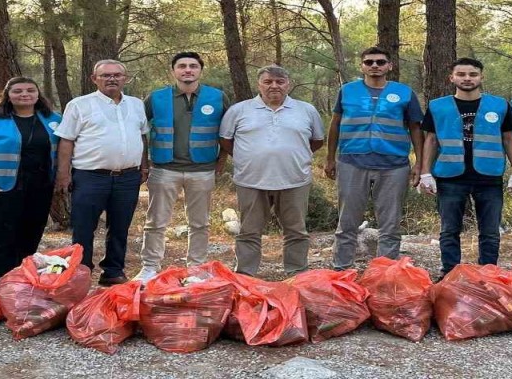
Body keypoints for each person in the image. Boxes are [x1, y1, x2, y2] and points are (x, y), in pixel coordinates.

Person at [418, 58, 512, 277]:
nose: (467, 79)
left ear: (481, 77)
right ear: (452, 78)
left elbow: (509, 139)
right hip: (450, 176)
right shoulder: (438, 106)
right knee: (449, 231)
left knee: (490, 232)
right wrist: (425, 172)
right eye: (462, 74)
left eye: (473, 74)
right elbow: (431, 139)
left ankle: (488, 274)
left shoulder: (500, 105)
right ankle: (449, 274)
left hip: (489, 176)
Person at [219, 65, 325, 277]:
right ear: (259, 84)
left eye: (280, 82)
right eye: (268, 82)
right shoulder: (239, 110)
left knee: (296, 231)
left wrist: (291, 156)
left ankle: (297, 275)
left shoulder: (306, 110)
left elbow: (317, 141)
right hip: (251, 180)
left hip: (294, 180)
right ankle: (246, 275)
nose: (274, 86)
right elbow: (225, 140)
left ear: (288, 84)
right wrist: (249, 158)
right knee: (249, 232)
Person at [326, 46, 424, 270]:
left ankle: (384, 274)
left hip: (393, 166)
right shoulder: (347, 91)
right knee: (347, 223)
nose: (375, 66)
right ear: (362, 66)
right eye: (369, 62)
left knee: (390, 225)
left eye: (380, 62)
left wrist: (419, 163)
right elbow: (335, 124)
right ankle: (341, 272)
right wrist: (330, 158)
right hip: (352, 162)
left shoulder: (404, 92)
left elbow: (415, 128)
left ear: (389, 66)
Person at [54, 59, 150, 286]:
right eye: (106, 75)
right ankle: (81, 271)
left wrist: (144, 166)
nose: (112, 79)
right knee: (84, 227)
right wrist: (63, 173)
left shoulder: (136, 104)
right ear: (94, 79)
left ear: (125, 78)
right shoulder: (79, 105)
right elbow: (66, 140)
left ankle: (113, 271)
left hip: (128, 177)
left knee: (120, 226)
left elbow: (142, 136)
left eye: (117, 75)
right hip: (90, 177)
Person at [136, 52, 229, 282]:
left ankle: (196, 269)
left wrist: (222, 160)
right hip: (164, 169)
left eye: (193, 66)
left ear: (200, 70)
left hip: (203, 170)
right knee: (156, 222)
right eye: (182, 66)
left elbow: (228, 132)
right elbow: (139, 130)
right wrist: (144, 162)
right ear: (173, 70)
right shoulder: (156, 98)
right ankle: (149, 267)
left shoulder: (217, 97)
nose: (188, 70)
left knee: (200, 223)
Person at [0, 77, 63, 284]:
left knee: (31, 233)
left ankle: (20, 280)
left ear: (38, 95)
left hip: (40, 186)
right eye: (17, 91)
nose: (24, 94)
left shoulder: (54, 119)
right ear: (8, 96)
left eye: (30, 90)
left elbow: (66, 151)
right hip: (0, 186)